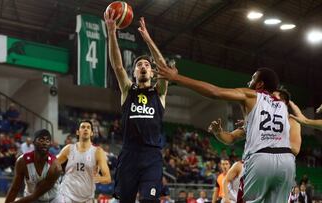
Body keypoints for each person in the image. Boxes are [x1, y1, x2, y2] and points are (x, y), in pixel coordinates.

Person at [156, 66, 294, 202]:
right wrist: (218, 132)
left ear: (260, 84)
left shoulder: (252, 95)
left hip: (261, 160)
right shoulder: (283, 108)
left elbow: (215, 92)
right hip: (286, 163)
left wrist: (176, 78)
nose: (248, 82)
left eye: (252, 79)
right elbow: (232, 138)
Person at [105, 9, 168, 202]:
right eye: (139, 65)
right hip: (129, 154)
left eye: (147, 65)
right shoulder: (127, 90)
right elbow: (117, 66)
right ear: (134, 73)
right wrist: (111, 33)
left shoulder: (159, 92)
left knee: (149, 200)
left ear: (152, 73)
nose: (143, 67)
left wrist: (148, 40)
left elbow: (164, 67)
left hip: (152, 155)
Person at [208, 88, 302, 156]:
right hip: (256, 168)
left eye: (273, 97)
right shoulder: (259, 119)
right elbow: (231, 138)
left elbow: (294, 149)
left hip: (279, 169)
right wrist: (218, 133)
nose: (269, 100)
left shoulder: (292, 121)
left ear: (284, 102)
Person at [56, 120, 111, 203]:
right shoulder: (69, 149)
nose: (86, 129)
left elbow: (108, 178)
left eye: (88, 128)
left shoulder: (98, 152)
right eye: (83, 127)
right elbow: (53, 164)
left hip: (87, 197)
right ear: (78, 132)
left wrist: (99, 178)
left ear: (92, 133)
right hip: (66, 193)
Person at [5, 129, 61, 203]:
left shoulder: (55, 167)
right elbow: (15, 189)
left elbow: (35, 195)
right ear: (34, 142)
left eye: (47, 141)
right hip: (30, 198)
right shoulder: (22, 162)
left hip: (52, 199)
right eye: (41, 140)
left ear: (50, 144)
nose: (44, 143)